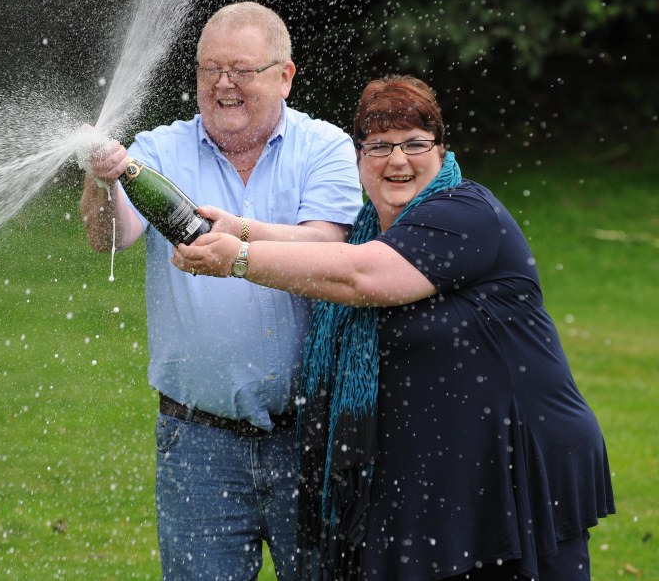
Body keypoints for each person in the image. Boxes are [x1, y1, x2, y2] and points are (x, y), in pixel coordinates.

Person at [172, 74, 615, 581]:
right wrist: (242, 227)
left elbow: (361, 276)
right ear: (359, 158)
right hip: (437, 468)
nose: (397, 160)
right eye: (379, 146)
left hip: (510, 459)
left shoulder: (467, 213)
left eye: (414, 143)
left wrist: (240, 257)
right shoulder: (372, 228)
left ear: (442, 150)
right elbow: (339, 254)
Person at [79, 1, 363, 580]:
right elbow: (108, 238)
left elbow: (326, 250)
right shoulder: (158, 152)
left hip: (309, 439)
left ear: (285, 76)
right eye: (210, 70)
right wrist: (98, 178)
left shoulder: (326, 147)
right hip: (197, 442)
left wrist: (240, 248)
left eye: (242, 70)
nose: (223, 84)